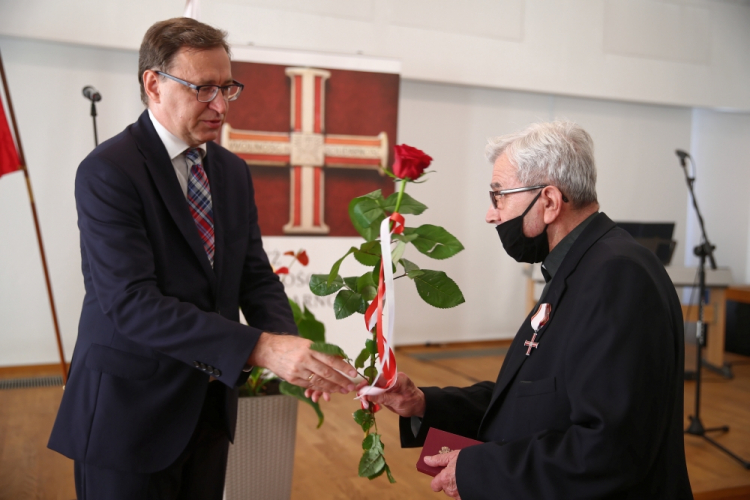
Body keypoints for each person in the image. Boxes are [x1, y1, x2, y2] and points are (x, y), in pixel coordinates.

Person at [48, 17, 357, 500]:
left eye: (227, 88)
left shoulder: (231, 171)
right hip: (128, 416)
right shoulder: (108, 171)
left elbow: (253, 275)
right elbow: (131, 303)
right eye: (203, 88)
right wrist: (262, 348)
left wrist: (293, 353)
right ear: (153, 83)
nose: (220, 105)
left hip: (208, 410)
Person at [367, 121, 693, 499]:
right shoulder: (580, 266)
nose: (492, 214)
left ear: (550, 202)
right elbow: (533, 399)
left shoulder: (616, 276)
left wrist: (478, 469)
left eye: (499, 196)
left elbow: (611, 448)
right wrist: (424, 403)